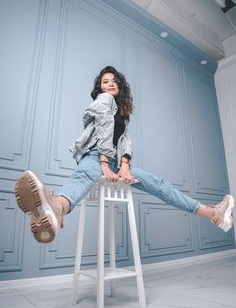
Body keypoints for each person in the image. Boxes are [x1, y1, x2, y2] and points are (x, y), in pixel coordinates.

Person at [15, 66, 234, 243]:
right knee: (83, 176)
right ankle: (56, 208)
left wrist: (125, 165)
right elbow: (103, 127)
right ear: (99, 88)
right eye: (104, 81)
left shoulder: (122, 114)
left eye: (113, 81)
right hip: (95, 156)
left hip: (113, 163)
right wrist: (103, 162)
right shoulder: (104, 101)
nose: (109, 84)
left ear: (119, 85)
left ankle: (212, 213)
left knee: (158, 184)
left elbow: (125, 141)